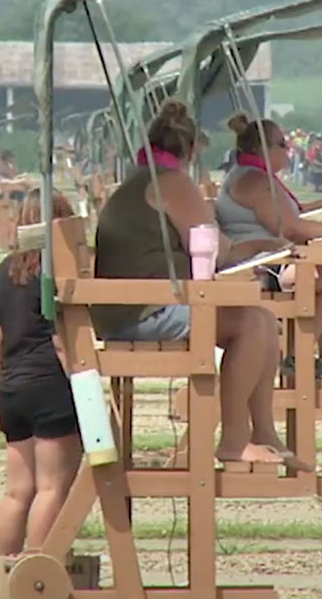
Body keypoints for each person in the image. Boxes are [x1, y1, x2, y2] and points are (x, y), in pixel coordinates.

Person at [92, 100, 293, 466]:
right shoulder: (172, 183)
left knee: (262, 319)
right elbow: (219, 250)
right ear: (189, 150)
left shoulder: (140, 179)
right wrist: (266, 245)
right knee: (250, 323)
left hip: (126, 307)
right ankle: (234, 439)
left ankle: (263, 432)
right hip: (141, 311)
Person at [0, 191, 85, 599]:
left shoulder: (0, 273)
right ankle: (34, 577)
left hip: (11, 386)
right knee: (51, 488)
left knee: (16, 492)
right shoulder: (58, 275)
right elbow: (64, 342)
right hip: (50, 384)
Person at [216, 111, 322, 382]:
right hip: (257, 267)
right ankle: (298, 354)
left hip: (260, 261)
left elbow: (289, 214)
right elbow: (291, 228)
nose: (288, 150)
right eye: (282, 144)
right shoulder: (257, 182)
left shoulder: (250, 175)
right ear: (263, 149)